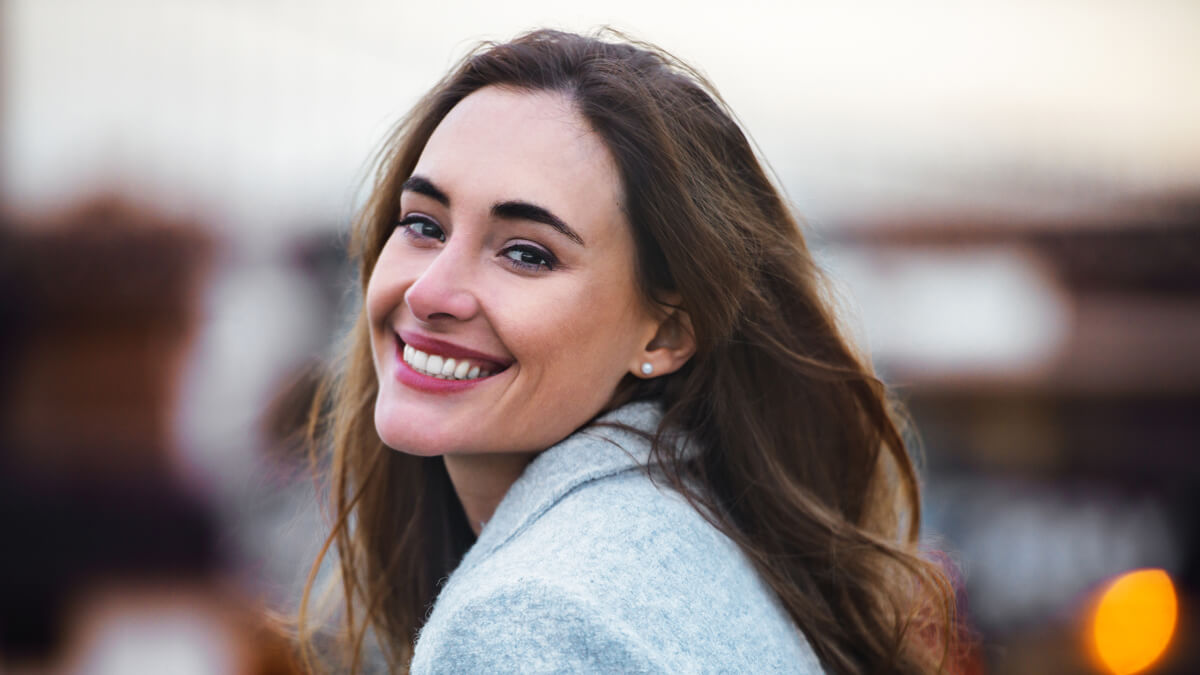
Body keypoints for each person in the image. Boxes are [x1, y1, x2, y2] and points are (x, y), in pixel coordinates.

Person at [299, 28, 957, 674]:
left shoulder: (525, 624)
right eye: (423, 224)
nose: (429, 291)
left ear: (665, 333)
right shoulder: (704, 543)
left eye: (526, 253)